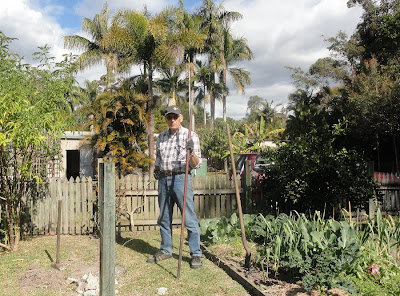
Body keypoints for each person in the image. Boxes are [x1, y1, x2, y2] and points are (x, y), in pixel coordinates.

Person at [147, 105, 203, 269]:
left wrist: (191, 152)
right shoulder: (162, 137)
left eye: (175, 117)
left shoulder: (190, 136)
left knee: (188, 217)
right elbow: (158, 159)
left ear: (181, 118)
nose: (172, 120)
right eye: (169, 117)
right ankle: (166, 250)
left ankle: (196, 254)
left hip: (181, 178)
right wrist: (156, 170)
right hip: (164, 179)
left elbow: (197, 164)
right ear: (166, 119)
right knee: (164, 217)